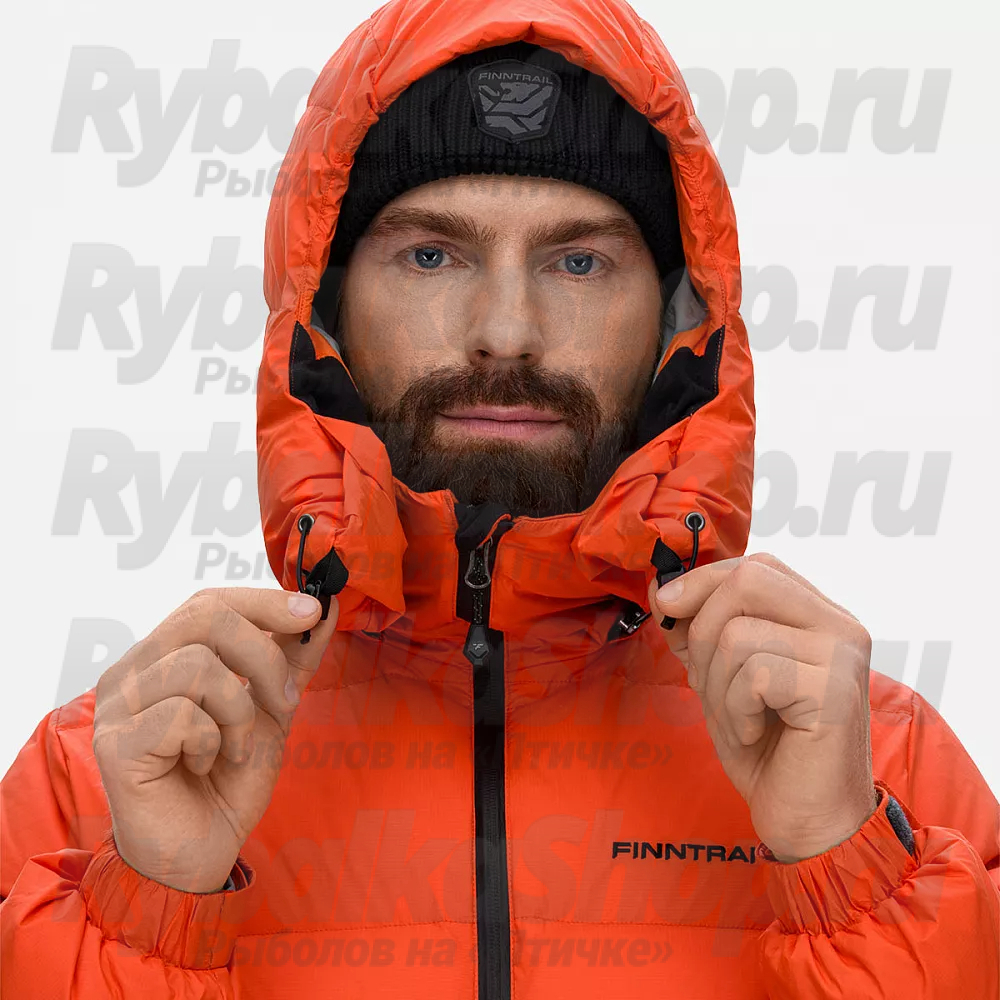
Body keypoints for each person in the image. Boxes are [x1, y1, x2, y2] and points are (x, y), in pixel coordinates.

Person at [2, 2, 997, 997]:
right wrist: (152, 910)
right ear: (325, 314)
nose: (508, 332)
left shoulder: (878, 767)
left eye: (580, 261)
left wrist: (845, 873)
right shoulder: (104, 781)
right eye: (431, 255)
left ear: (676, 319)